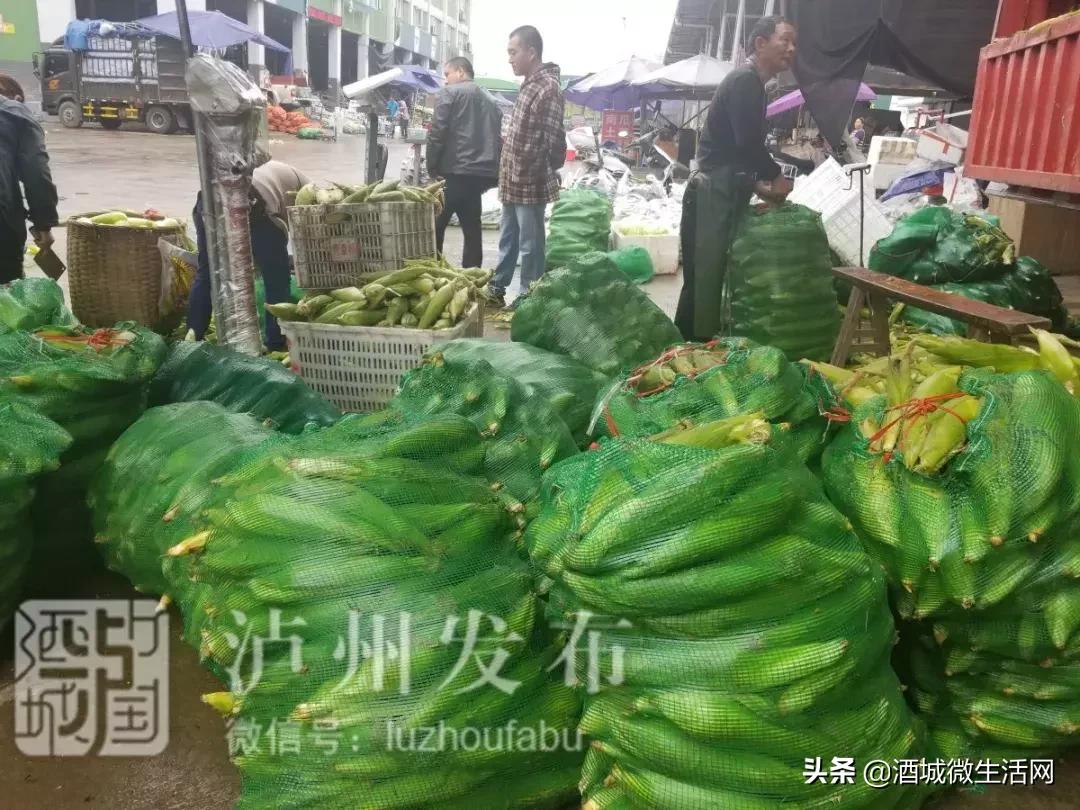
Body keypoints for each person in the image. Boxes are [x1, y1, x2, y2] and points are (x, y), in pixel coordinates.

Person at [675, 16, 796, 342]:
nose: (791, 49)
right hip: (711, 195)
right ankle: (687, 355)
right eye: (784, 40)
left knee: (707, 281)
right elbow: (748, 144)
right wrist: (775, 176)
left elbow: (733, 154)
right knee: (704, 281)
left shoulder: (752, 83)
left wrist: (756, 186)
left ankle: (690, 348)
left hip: (720, 190)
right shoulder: (745, 81)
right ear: (760, 43)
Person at [188, 160, 309, 351]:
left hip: (209, 201)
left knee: (207, 274)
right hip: (252, 204)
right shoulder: (306, 192)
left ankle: (192, 339)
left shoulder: (278, 172)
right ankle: (275, 344)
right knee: (276, 278)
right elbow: (296, 235)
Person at [490, 25, 566, 308]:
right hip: (511, 178)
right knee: (508, 238)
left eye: (513, 52)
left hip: (530, 181)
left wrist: (542, 167)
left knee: (530, 245)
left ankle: (529, 297)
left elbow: (555, 139)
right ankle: (498, 286)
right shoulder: (529, 84)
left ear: (531, 52)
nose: (510, 58)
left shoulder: (548, 88)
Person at [427, 57, 503, 269]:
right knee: (472, 230)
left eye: (447, 74)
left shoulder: (449, 94)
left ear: (460, 72)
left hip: (452, 173)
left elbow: (437, 132)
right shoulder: (490, 100)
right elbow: (497, 139)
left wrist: (431, 166)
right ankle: (472, 278)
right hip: (478, 177)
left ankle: (433, 273)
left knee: (435, 227)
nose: (445, 80)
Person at [0, 75, 59, 284]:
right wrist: (43, 224)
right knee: (6, 302)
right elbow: (36, 171)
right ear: (15, 97)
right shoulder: (14, 112)